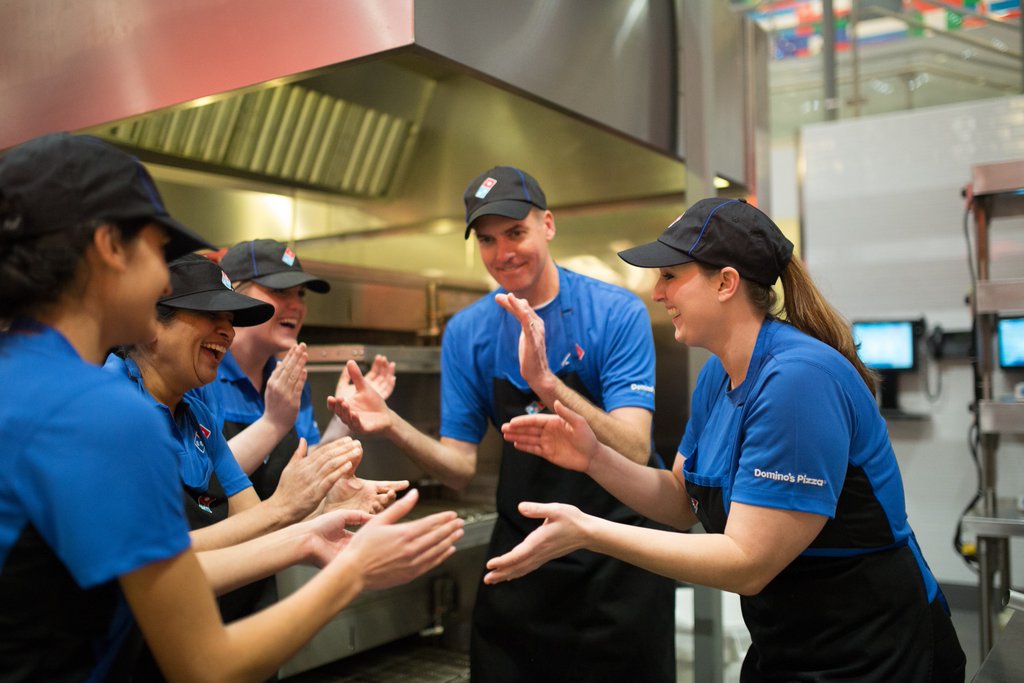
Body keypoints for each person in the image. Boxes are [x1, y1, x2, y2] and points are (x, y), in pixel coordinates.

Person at [0, 132, 464, 682]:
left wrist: (306, 530)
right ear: (109, 247)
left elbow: (158, 568)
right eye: (158, 248)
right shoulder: (99, 414)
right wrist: (355, 573)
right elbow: (205, 663)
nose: (163, 277)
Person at [492, 197, 968, 682]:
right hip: (788, 638)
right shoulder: (720, 376)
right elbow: (681, 500)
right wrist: (593, 457)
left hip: (873, 646)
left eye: (671, 276)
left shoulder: (797, 380)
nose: (657, 293)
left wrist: (589, 531)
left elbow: (747, 562)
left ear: (726, 283)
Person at [332, 166, 676, 682]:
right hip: (524, 563)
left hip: (616, 559)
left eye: (516, 232)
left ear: (548, 226)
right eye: (488, 240)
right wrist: (390, 425)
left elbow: (633, 445)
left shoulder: (615, 313)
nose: (503, 252)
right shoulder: (468, 332)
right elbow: (458, 468)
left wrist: (547, 384)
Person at [105, 253, 402, 552]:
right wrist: (286, 507)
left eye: (230, 320)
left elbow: (252, 523)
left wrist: (324, 511)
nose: (228, 331)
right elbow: (146, 557)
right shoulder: (108, 406)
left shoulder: (197, 415)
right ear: (149, 324)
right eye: (211, 315)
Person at [191, 238, 397, 501]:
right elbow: (200, 483)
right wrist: (273, 424)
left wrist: (344, 419)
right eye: (281, 291)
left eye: (301, 294)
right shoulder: (199, 374)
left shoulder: (289, 376)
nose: (297, 305)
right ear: (234, 293)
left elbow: (305, 469)